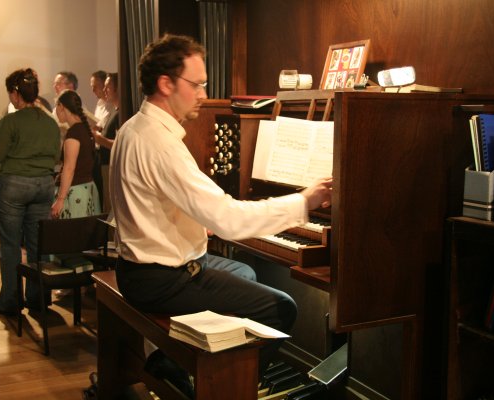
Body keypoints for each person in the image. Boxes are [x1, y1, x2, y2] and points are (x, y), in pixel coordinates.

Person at [109, 33, 332, 392]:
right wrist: (304, 201)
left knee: (244, 270)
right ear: (166, 84)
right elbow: (228, 220)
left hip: (135, 270)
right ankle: (223, 384)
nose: (203, 94)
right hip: (160, 281)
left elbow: (149, 203)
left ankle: (212, 363)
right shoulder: (160, 143)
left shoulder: (132, 128)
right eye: (196, 84)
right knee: (281, 308)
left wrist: (197, 220)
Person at [0, 68, 61, 315]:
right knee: (38, 245)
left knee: (10, 245)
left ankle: (10, 301)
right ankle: (38, 298)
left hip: (14, 186)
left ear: (16, 95)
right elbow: (55, 155)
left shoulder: (10, 121)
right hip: (44, 185)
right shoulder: (50, 121)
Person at [51, 89, 100, 219]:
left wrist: (60, 199)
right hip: (87, 189)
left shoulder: (74, 133)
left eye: (56, 107)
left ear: (61, 107)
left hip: (76, 193)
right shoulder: (85, 130)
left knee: (72, 235)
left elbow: (69, 167)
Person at [92, 72, 119, 212]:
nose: (104, 91)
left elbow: (120, 144)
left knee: (110, 206)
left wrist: (99, 139)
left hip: (111, 164)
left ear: (117, 89)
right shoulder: (114, 111)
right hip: (104, 163)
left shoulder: (121, 113)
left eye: (107, 87)